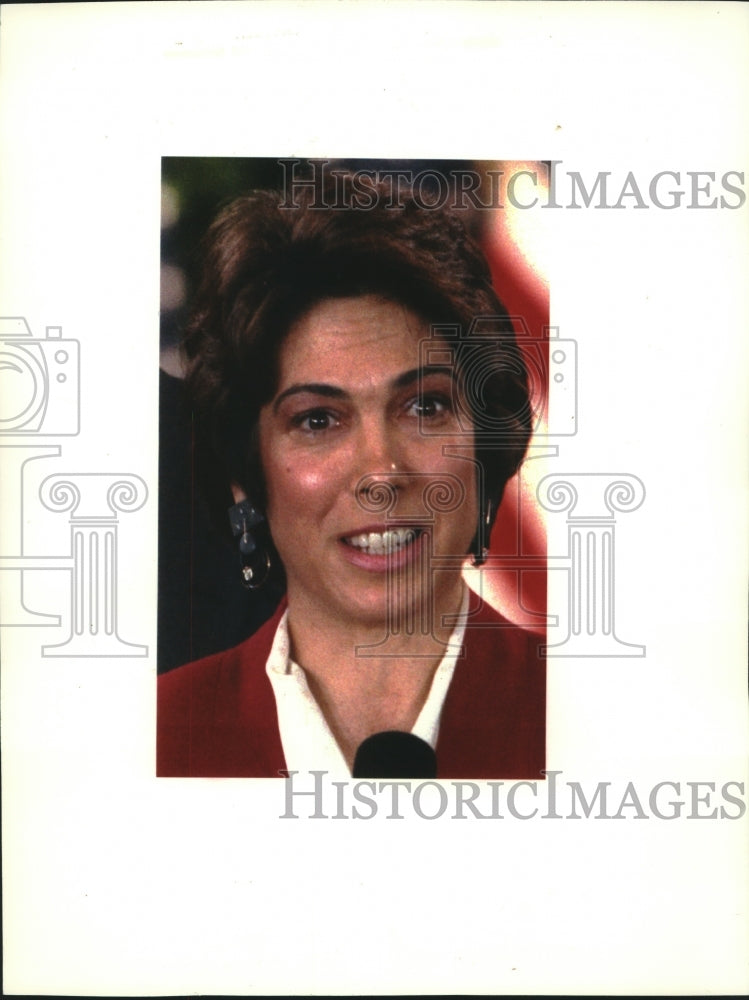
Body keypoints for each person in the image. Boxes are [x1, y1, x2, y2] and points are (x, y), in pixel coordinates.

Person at [157, 172, 545, 779]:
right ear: (244, 474)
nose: (380, 474)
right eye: (317, 420)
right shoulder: (156, 737)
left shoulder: (608, 719)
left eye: (425, 407)